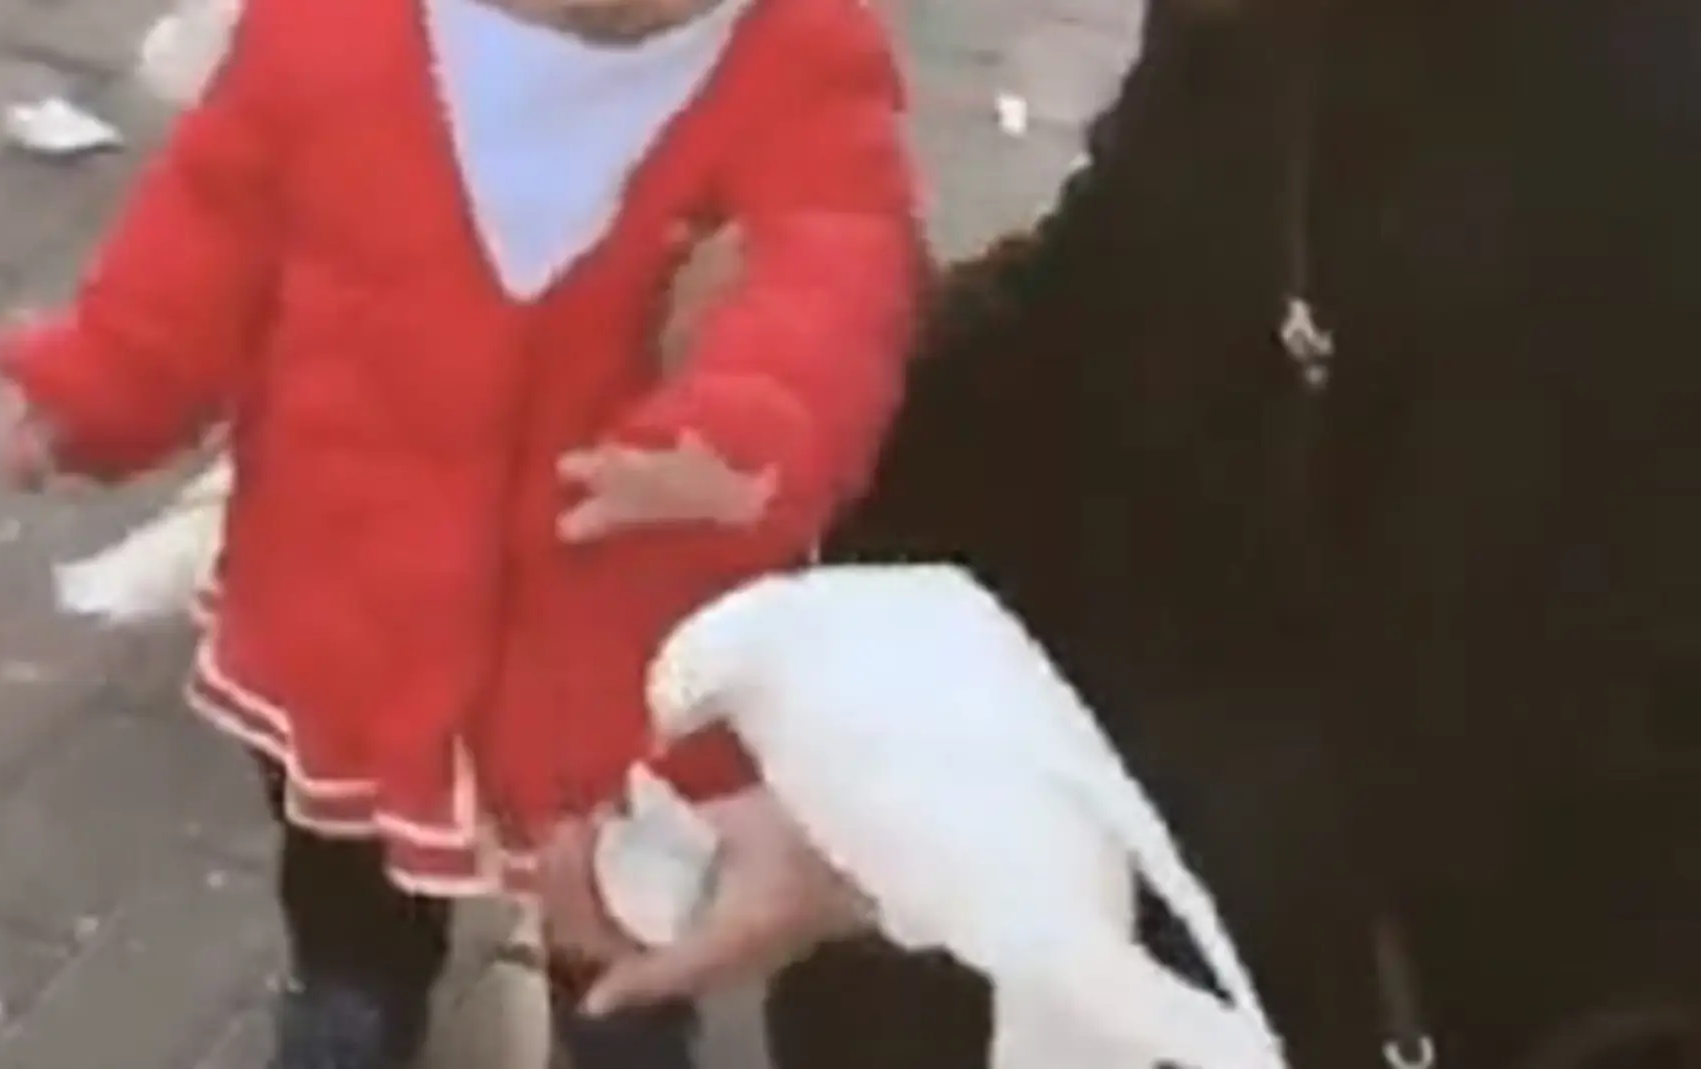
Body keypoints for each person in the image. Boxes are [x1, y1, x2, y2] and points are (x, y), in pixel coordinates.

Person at [559, 0, 1701, 1066]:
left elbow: (1494, 775)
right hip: (1174, 864)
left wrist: (910, 850)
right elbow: (1115, 332)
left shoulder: (1621, 142)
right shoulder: (1299, 38)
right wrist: (838, 364)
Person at [0, 0, 923, 1065]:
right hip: (351, 571)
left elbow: (835, 272)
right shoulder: (327, 35)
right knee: (342, 841)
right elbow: (201, 239)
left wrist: (745, 424)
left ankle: (624, 1004)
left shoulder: (797, 53)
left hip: (620, 610)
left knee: (622, 867)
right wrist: (100, 389)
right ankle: (353, 985)